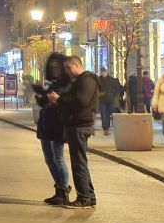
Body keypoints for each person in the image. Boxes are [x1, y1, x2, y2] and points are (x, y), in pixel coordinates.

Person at [49, 55, 99, 209]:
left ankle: (84, 198)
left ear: (77, 65)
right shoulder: (82, 80)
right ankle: (89, 196)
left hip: (80, 125)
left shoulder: (87, 80)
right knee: (80, 162)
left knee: (78, 164)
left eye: (68, 67)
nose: (67, 71)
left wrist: (60, 99)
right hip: (77, 124)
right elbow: (75, 98)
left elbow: (81, 101)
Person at [33, 53, 71, 206]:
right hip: (45, 126)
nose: (54, 69)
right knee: (49, 160)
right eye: (52, 67)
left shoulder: (68, 84)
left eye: (57, 67)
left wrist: (58, 99)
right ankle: (59, 190)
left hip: (58, 126)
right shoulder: (53, 83)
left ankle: (63, 191)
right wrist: (40, 96)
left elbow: (69, 104)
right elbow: (46, 104)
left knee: (58, 159)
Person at [97, 68, 123, 136]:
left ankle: (107, 126)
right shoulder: (98, 80)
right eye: (102, 72)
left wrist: (113, 95)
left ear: (106, 72)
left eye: (104, 72)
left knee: (108, 113)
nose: (103, 73)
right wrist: (100, 94)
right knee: (103, 114)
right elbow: (96, 89)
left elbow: (116, 89)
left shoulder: (112, 80)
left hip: (110, 100)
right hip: (102, 100)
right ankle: (105, 128)